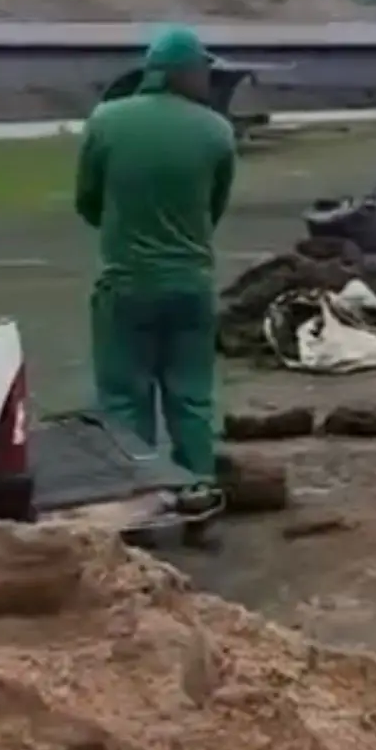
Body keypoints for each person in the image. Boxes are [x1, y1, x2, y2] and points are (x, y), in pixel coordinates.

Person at [74, 25, 236, 484]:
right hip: (191, 285)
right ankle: (198, 495)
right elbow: (213, 210)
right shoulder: (217, 131)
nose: (207, 78)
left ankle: (138, 498)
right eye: (202, 69)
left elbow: (87, 202)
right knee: (191, 400)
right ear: (180, 73)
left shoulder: (105, 121)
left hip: (126, 284)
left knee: (124, 399)